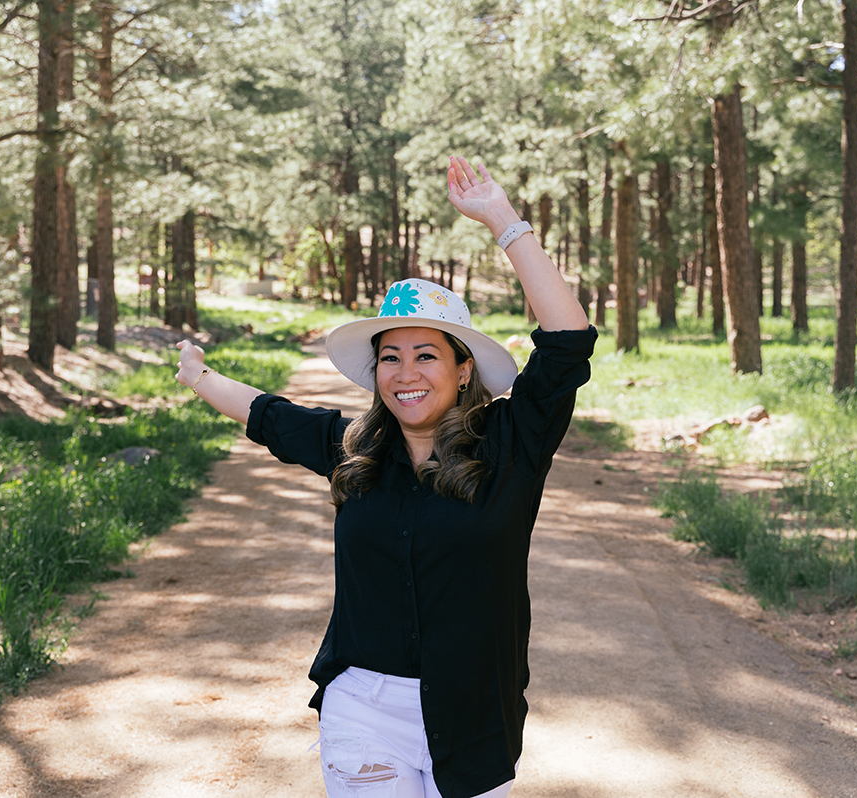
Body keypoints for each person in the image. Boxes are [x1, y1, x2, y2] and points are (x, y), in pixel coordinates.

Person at [175, 156, 596, 798]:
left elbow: (566, 341)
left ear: (462, 370)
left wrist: (500, 218)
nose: (406, 373)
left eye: (427, 355)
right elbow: (272, 416)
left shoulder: (513, 444)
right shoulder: (356, 449)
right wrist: (201, 378)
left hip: (476, 713)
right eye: (390, 358)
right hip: (363, 708)